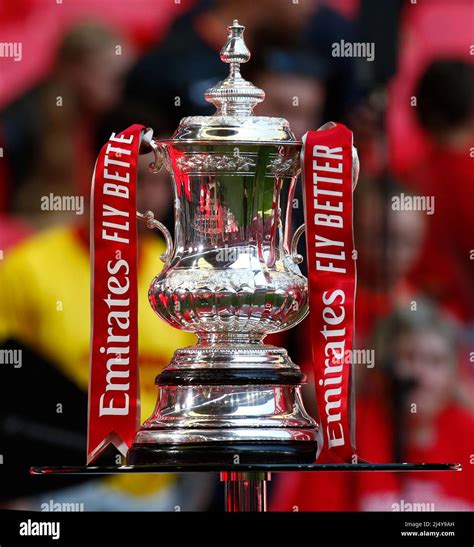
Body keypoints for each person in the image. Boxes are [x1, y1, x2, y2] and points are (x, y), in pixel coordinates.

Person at [0, 104, 214, 511]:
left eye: (160, 181)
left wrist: (193, 494)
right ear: (97, 178)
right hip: (53, 493)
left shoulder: (184, 275)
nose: (149, 195)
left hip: (155, 494)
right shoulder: (27, 268)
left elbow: (202, 399)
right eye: (132, 180)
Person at [271, 301, 474, 511]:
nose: (421, 376)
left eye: (435, 362)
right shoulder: (346, 433)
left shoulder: (469, 434)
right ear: (384, 367)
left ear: (454, 376)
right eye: (409, 357)